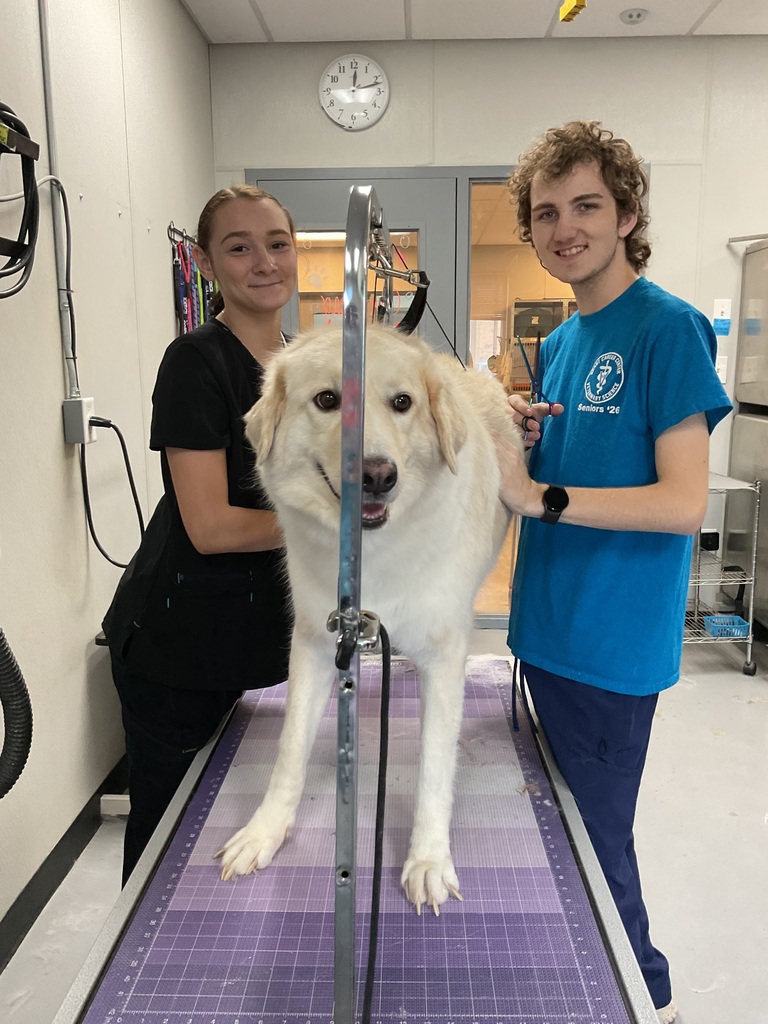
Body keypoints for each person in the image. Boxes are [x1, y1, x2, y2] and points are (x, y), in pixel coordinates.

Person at [494, 121, 732, 1024]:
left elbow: (681, 504)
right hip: (549, 634)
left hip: (608, 646)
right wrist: (523, 435)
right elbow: (575, 461)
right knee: (560, 839)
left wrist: (539, 494)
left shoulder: (667, 329)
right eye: (547, 212)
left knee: (595, 847)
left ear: (628, 212)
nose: (565, 228)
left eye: (586, 205)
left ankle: (647, 998)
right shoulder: (562, 340)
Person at [103, 184, 298, 885]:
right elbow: (212, 527)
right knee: (168, 832)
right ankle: (142, 974)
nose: (264, 262)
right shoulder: (195, 363)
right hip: (174, 648)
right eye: (239, 248)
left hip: (248, 636)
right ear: (208, 266)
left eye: (277, 243)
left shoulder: (302, 365)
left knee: (231, 818)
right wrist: (334, 531)